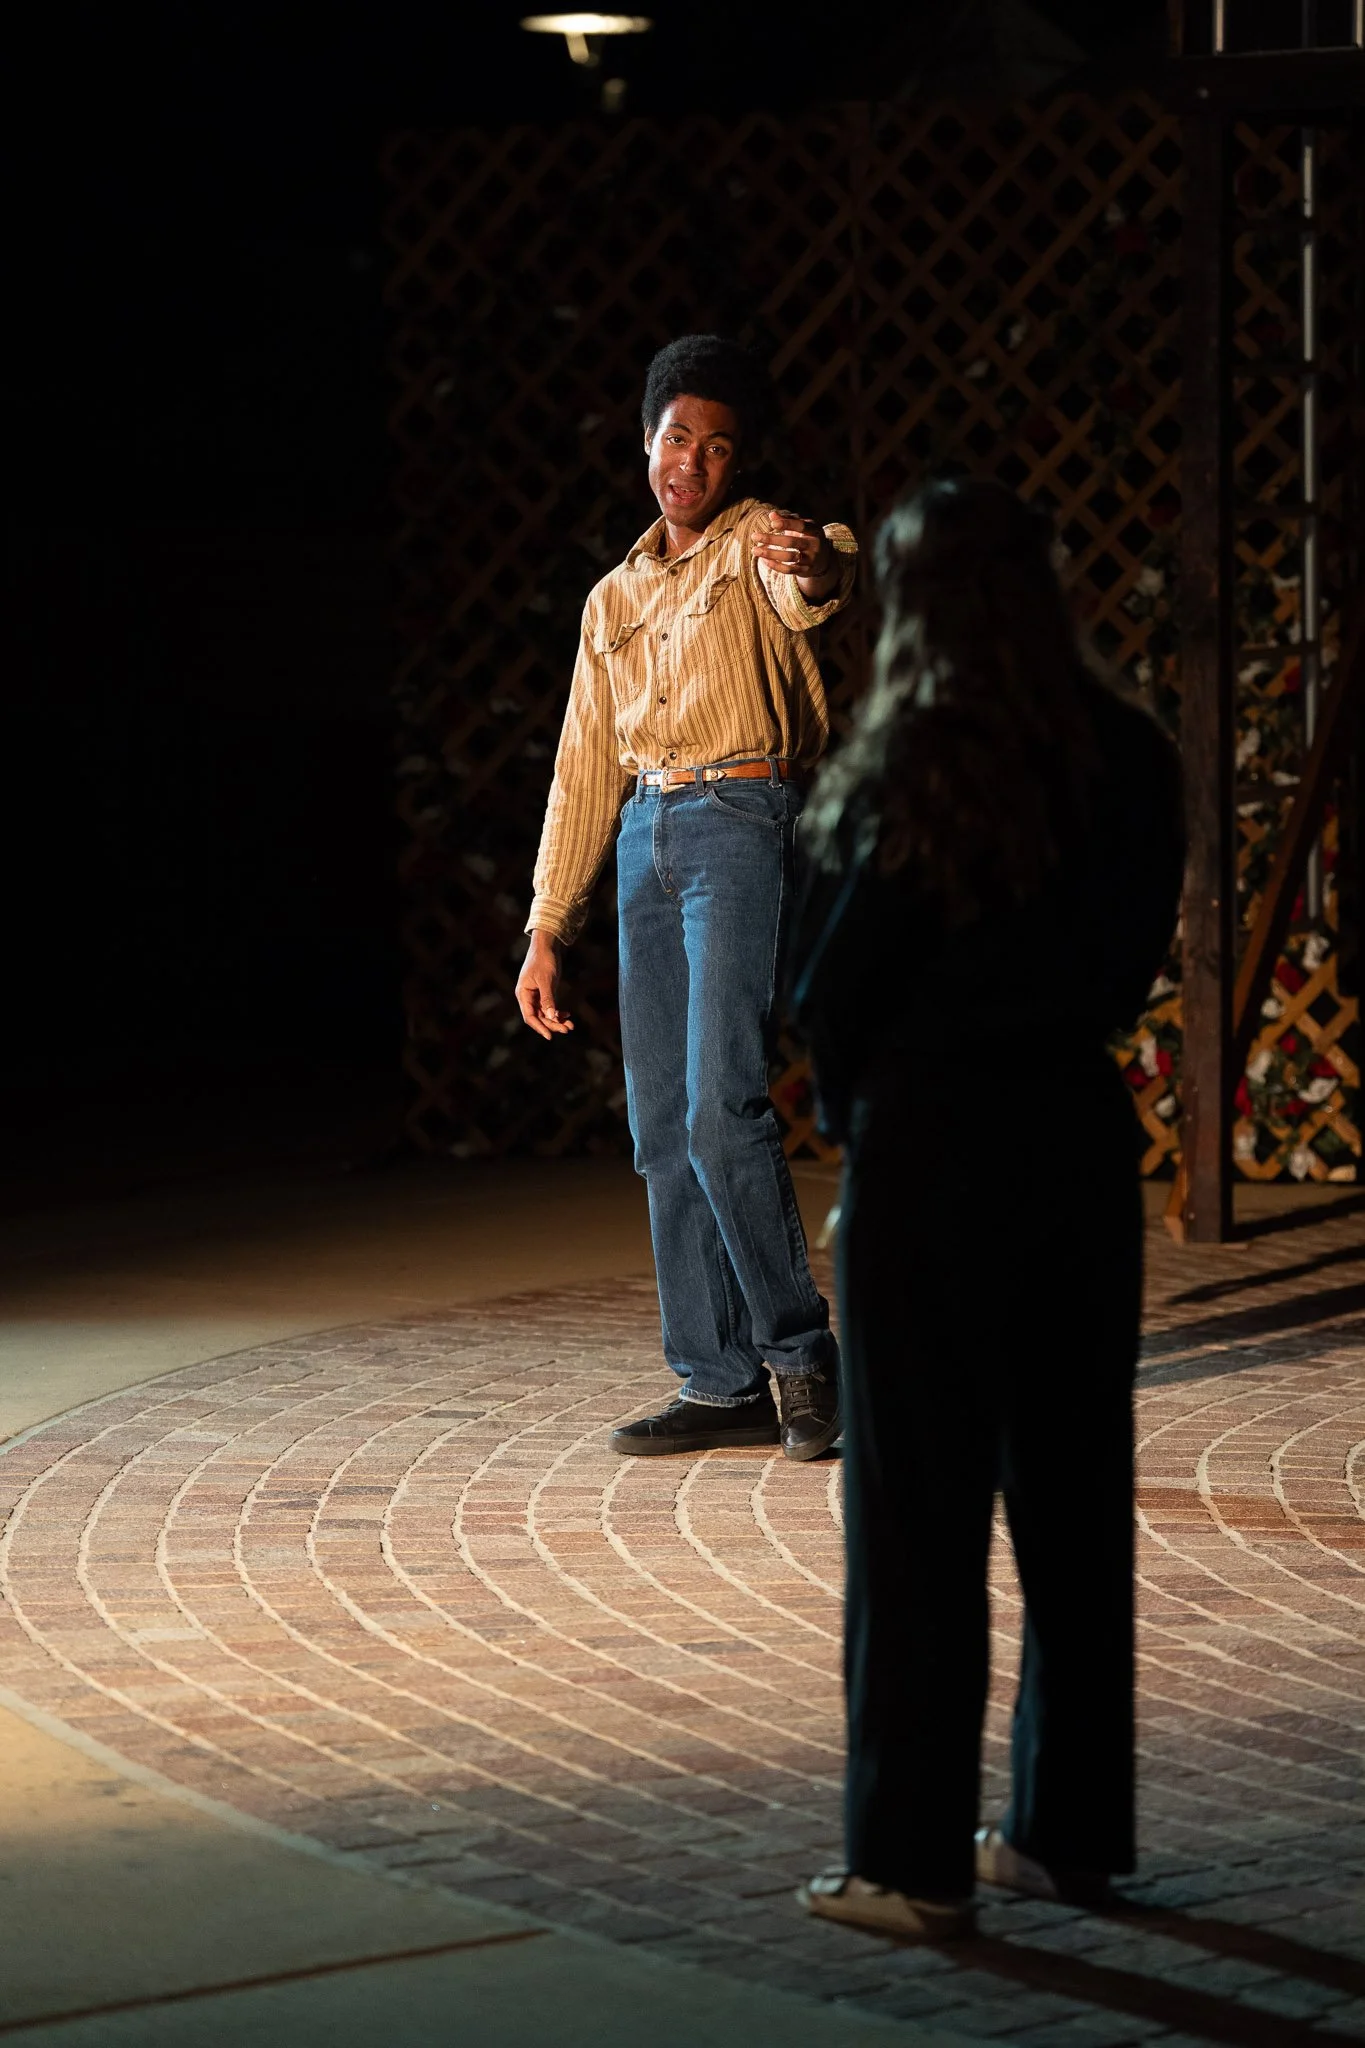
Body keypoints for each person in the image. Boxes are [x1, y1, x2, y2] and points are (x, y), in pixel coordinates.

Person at [788, 477, 1184, 1940]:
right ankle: (1066, 1837)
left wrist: (856, 1122)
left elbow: (829, 989)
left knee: (916, 1516)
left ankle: (908, 1862)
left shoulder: (906, 764)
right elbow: (1129, 960)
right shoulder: (1129, 757)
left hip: (928, 1154)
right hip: (1075, 1142)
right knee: (1074, 1509)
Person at [516, 334, 857, 1461]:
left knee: (721, 1107)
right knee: (660, 1124)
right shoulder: (610, 599)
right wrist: (546, 926)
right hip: (643, 837)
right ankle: (717, 1378)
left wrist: (815, 560)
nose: (691, 463)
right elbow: (581, 768)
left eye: (716, 446)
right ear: (645, 440)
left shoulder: (760, 541)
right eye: (676, 438)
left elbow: (818, 578)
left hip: (739, 824)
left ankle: (800, 1355)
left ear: (736, 458)